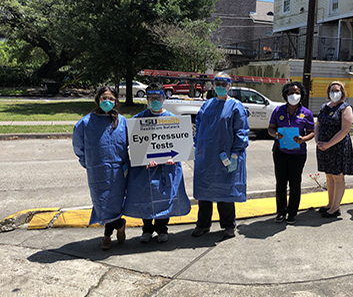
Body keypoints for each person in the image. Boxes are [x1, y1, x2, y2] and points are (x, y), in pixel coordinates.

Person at [123, 83, 191, 243]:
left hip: (167, 169)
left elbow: (182, 145)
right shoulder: (138, 120)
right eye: (152, 98)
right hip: (144, 170)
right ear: (146, 99)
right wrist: (142, 158)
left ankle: (162, 229)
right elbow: (132, 144)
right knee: (146, 198)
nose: (155, 101)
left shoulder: (174, 121)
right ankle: (147, 229)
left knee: (165, 197)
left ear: (164, 98)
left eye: (158, 98)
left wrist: (173, 158)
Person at [191, 72, 249, 239]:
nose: (221, 88)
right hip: (206, 156)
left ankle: (228, 225)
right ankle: (203, 224)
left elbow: (241, 131)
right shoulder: (207, 105)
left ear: (229, 86)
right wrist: (197, 146)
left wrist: (236, 154)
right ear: (213, 85)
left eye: (224, 85)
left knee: (225, 192)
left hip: (226, 157)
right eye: (218, 84)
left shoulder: (236, 106)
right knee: (204, 192)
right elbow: (199, 127)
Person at [72, 86, 128, 250]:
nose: (107, 101)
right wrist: (86, 162)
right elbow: (78, 145)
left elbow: (135, 143)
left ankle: (107, 235)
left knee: (115, 203)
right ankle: (119, 225)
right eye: (104, 98)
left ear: (116, 101)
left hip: (118, 172)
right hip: (97, 172)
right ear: (97, 100)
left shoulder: (122, 122)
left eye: (110, 99)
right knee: (102, 203)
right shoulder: (86, 123)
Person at [268, 82, 315, 224]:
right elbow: (270, 129)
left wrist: (304, 139)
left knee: (295, 183)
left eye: (297, 92)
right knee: (281, 183)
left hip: (298, 154)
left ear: (301, 95)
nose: (294, 95)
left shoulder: (306, 113)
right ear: (285, 95)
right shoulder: (278, 111)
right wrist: (276, 134)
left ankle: (292, 213)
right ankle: (280, 212)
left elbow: (312, 132)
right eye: (290, 93)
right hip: (280, 152)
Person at [315, 81, 353, 218]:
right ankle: (329, 204)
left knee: (338, 176)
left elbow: (345, 130)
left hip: (337, 147)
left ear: (342, 92)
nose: (334, 93)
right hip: (323, 146)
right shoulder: (324, 107)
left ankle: (335, 207)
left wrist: (329, 144)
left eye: (337, 90)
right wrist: (318, 140)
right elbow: (318, 124)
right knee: (329, 175)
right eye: (332, 90)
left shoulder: (345, 108)